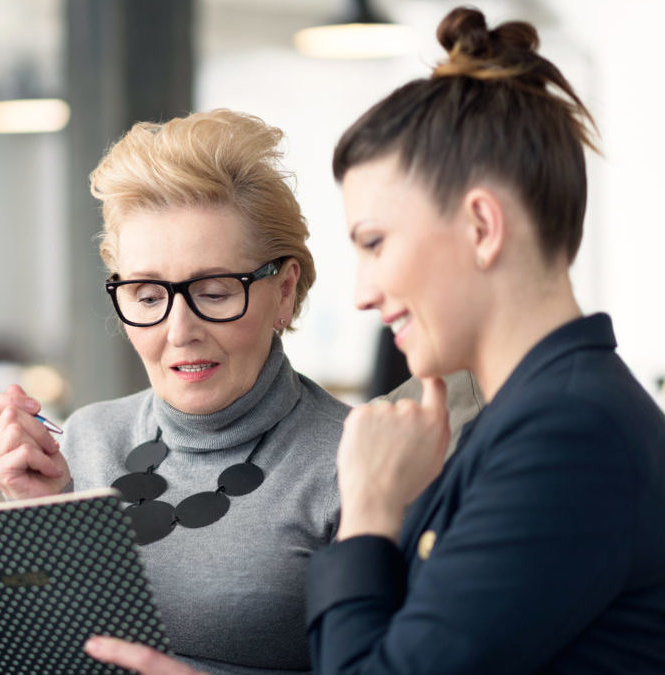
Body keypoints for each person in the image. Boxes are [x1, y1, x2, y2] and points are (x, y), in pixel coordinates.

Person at [87, 6, 665, 675]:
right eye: (148, 293)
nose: (362, 291)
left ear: (481, 226)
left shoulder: (568, 438)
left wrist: (365, 508)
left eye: (375, 242)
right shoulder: (528, 424)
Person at [0, 108, 352, 674]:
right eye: (149, 297)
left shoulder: (354, 464)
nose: (179, 332)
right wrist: (38, 513)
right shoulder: (84, 437)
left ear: (284, 290)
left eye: (216, 291)